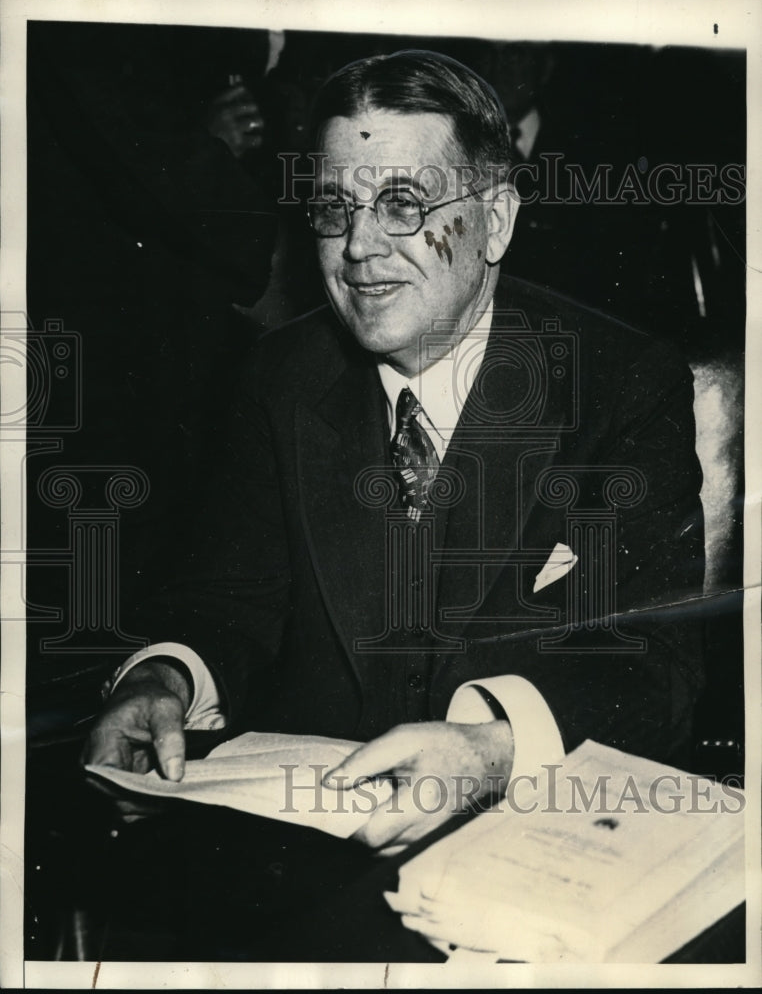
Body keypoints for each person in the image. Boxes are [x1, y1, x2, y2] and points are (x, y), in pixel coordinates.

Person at [84, 50, 705, 857]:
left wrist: (494, 749)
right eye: (336, 208)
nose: (359, 248)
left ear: (497, 220)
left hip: (522, 857)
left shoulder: (619, 382)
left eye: (402, 203)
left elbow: (660, 669)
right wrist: (162, 679)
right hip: (304, 869)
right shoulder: (281, 375)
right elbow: (227, 599)